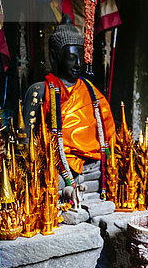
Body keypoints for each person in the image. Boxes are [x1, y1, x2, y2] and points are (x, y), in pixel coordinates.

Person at [23, 15, 116, 181]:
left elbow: (109, 134)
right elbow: (26, 140)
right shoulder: (40, 91)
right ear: (55, 57)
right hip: (57, 169)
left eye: (81, 58)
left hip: (92, 169)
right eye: (72, 58)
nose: (78, 64)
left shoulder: (91, 92)